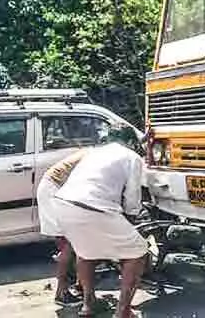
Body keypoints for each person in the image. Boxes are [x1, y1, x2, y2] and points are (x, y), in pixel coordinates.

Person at [53, 124, 147, 318]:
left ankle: (88, 305)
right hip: (93, 207)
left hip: (63, 204)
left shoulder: (94, 153)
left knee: (86, 252)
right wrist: (131, 217)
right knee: (138, 251)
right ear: (130, 141)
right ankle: (123, 312)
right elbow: (132, 197)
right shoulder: (132, 157)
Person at [36, 148, 89, 306]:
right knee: (69, 244)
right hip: (54, 192)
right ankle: (61, 293)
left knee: (73, 242)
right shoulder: (97, 158)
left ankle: (78, 286)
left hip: (55, 190)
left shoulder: (91, 153)